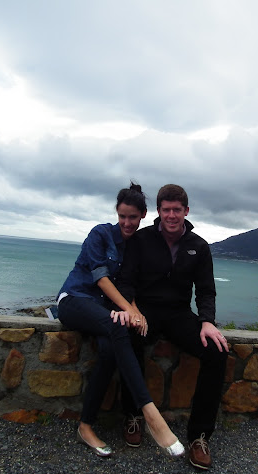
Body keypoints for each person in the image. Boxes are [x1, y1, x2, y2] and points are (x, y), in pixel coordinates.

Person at [56, 182, 184, 459]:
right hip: (75, 300)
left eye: (133, 217)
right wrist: (131, 311)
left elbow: (129, 286)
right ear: (116, 212)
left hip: (104, 311)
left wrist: (130, 310)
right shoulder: (100, 234)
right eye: (122, 216)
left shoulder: (137, 246)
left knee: (109, 350)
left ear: (143, 215)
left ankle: (85, 426)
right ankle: (150, 413)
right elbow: (101, 279)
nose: (127, 222)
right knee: (118, 329)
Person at [116, 184, 229, 470]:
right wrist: (132, 312)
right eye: (166, 209)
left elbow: (206, 291)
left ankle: (199, 437)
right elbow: (126, 281)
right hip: (146, 311)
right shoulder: (141, 240)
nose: (171, 215)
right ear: (158, 211)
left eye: (176, 210)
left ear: (186, 211)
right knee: (127, 338)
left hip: (179, 314)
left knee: (216, 351)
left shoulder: (198, 246)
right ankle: (133, 415)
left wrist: (207, 321)